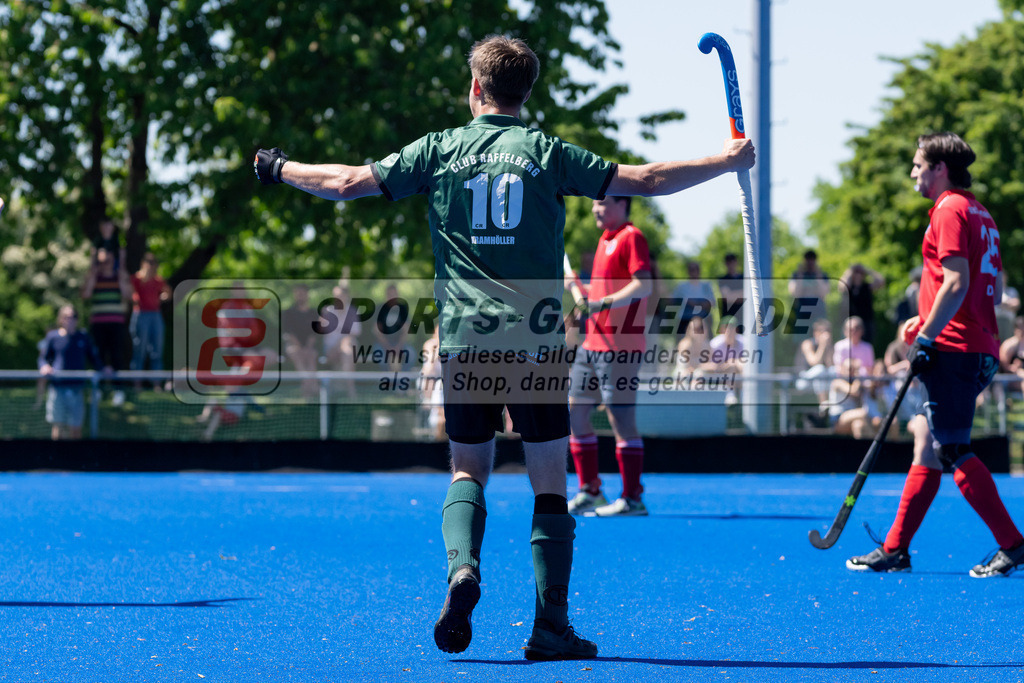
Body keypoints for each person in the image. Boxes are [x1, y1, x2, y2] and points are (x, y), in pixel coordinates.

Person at [254, 34, 754, 659]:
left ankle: (463, 569)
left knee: (469, 469)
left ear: (475, 89)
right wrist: (727, 160)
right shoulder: (545, 152)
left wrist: (279, 167)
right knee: (549, 482)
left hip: (466, 343)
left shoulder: (440, 149)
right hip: (538, 345)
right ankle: (550, 628)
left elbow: (349, 182)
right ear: (525, 92)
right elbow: (647, 179)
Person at [846, 132, 1024, 577]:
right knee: (927, 444)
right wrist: (925, 320)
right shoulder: (983, 214)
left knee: (952, 450)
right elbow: (994, 291)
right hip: (977, 347)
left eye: (917, 164)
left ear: (939, 168)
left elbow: (957, 281)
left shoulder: (947, 210)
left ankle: (1014, 544)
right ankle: (894, 548)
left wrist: (926, 336)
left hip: (954, 350)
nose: (913, 172)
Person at [565, 195, 652, 517]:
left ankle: (632, 499)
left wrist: (601, 303)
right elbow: (596, 298)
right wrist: (576, 289)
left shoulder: (632, 237)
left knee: (621, 420)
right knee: (576, 414)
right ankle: (590, 491)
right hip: (592, 345)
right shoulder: (604, 240)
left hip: (621, 347)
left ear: (621, 203)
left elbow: (643, 286)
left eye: (601, 202)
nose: (593, 208)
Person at [39, 305, 101, 440]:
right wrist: (44, 366)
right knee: (58, 426)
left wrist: (104, 368)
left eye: (73, 317)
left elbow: (94, 359)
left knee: (75, 427)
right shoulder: (53, 337)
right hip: (58, 388)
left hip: (77, 389)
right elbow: (43, 359)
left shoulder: (82, 337)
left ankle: (75, 459)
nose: (70, 320)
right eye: (66, 317)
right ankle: (56, 458)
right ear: (60, 319)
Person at [81, 246, 132, 405]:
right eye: (101, 262)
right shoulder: (94, 277)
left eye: (108, 261)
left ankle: (118, 390)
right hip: (98, 323)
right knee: (99, 356)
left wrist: (122, 270)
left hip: (116, 323)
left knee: (117, 355)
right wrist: (93, 273)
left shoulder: (119, 276)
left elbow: (128, 296)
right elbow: (85, 295)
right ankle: (99, 390)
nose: (105, 264)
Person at [129, 252, 171, 389]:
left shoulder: (158, 280)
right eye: (149, 262)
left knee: (157, 350)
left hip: (155, 315)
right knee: (139, 350)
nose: (152, 266)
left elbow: (168, 292)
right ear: (143, 263)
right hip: (141, 314)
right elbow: (130, 293)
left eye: (154, 263)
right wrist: (145, 275)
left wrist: (162, 297)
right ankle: (137, 384)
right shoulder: (137, 278)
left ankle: (157, 384)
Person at [839, 263, 885, 343]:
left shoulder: (867, 287)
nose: (858, 275)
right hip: (850, 322)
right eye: (856, 272)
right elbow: (841, 286)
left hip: (866, 322)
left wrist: (866, 270)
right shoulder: (849, 287)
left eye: (860, 273)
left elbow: (881, 281)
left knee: (867, 345)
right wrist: (850, 270)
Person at [788, 249, 830, 330]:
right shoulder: (796, 275)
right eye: (808, 259)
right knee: (802, 339)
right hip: (802, 312)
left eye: (812, 259)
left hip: (818, 311)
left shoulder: (822, 275)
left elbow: (823, 293)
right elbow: (795, 293)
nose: (810, 262)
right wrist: (800, 275)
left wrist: (818, 275)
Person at [671, 260, 715, 336]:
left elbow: (712, 302)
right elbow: (672, 301)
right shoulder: (681, 286)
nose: (694, 271)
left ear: (699, 270)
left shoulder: (706, 285)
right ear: (688, 271)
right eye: (691, 269)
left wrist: (696, 304)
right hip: (685, 320)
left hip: (703, 320)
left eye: (696, 269)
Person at [716, 252, 744, 320]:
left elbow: (749, 295)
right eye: (729, 262)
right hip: (729, 317)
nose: (731, 264)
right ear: (725, 264)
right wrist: (741, 293)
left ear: (736, 262)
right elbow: (728, 297)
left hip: (743, 316)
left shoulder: (744, 277)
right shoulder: (722, 279)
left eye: (733, 261)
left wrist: (733, 294)